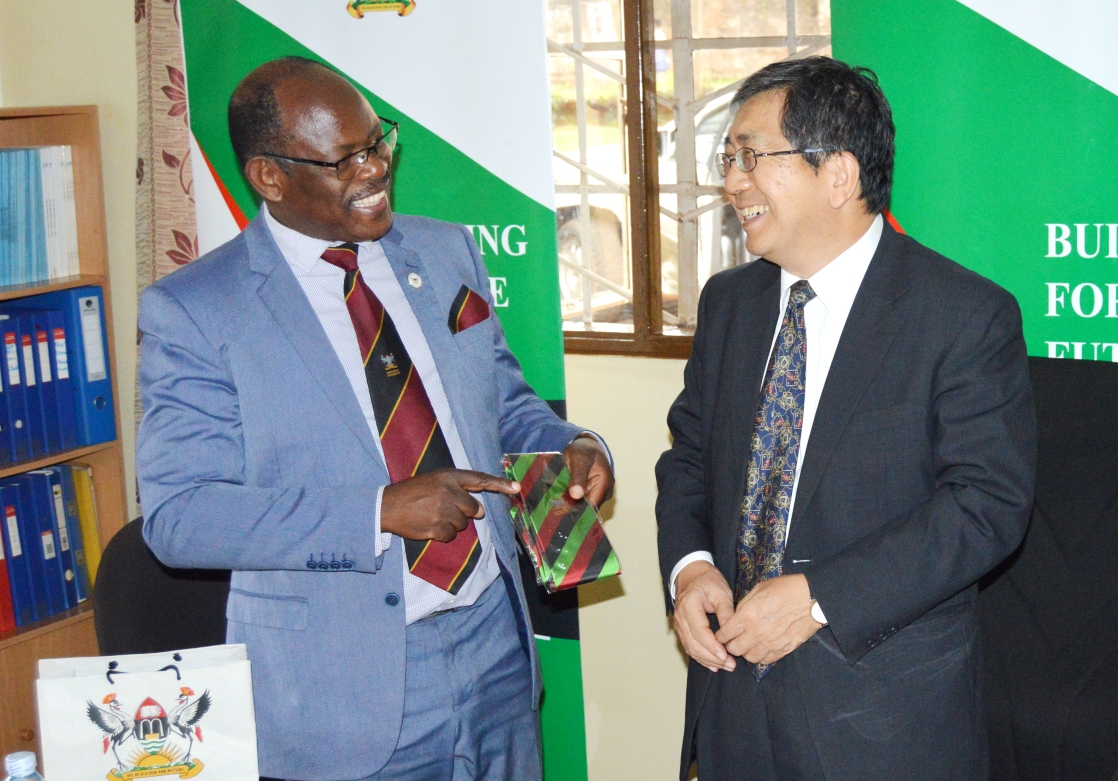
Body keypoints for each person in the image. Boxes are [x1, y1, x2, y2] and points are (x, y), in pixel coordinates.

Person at [136, 57, 612, 781]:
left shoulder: (446, 251)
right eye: (343, 159)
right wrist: (377, 511)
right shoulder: (197, 311)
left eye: (377, 142)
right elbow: (181, 516)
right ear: (269, 176)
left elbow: (501, 404)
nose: (375, 168)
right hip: (339, 693)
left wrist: (570, 444)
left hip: (495, 651)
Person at [655, 56, 1036, 780]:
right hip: (734, 700)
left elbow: (988, 504)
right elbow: (690, 456)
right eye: (728, 158)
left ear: (839, 175)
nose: (733, 181)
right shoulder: (729, 305)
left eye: (753, 156)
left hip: (883, 720)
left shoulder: (962, 315)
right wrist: (690, 566)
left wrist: (820, 596)